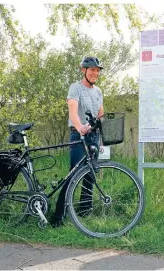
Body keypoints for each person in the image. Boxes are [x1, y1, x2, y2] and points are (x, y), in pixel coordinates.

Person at [50, 56, 104, 227]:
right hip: (78, 135)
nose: (95, 73)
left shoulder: (98, 91)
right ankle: (58, 217)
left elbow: (101, 115)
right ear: (84, 70)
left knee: (91, 175)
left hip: (93, 136)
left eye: (97, 70)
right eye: (92, 70)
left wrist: (102, 136)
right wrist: (80, 127)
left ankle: (84, 211)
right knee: (73, 175)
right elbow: (73, 112)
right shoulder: (76, 88)